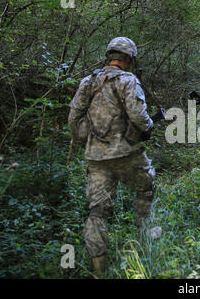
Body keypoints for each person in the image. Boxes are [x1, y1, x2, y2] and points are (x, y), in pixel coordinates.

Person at [68, 37, 156, 278]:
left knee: (97, 212)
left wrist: (83, 142)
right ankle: (143, 239)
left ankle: (100, 271)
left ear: (110, 56)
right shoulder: (129, 80)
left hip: (95, 157)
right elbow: (138, 116)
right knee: (146, 188)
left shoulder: (88, 81)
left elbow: (73, 116)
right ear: (128, 58)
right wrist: (148, 127)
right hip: (126, 153)